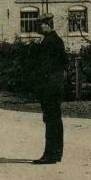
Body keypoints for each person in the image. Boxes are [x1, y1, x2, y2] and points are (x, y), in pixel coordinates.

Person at [33, 12, 69, 164]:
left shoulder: (49, 43)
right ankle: (56, 153)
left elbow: (45, 67)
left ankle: (50, 154)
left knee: (51, 119)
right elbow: (64, 63)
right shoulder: (57, 41)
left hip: (50, 86)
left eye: (40, 25)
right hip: (56, 84)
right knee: (55, 119)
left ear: (48, 25)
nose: (38, 29)